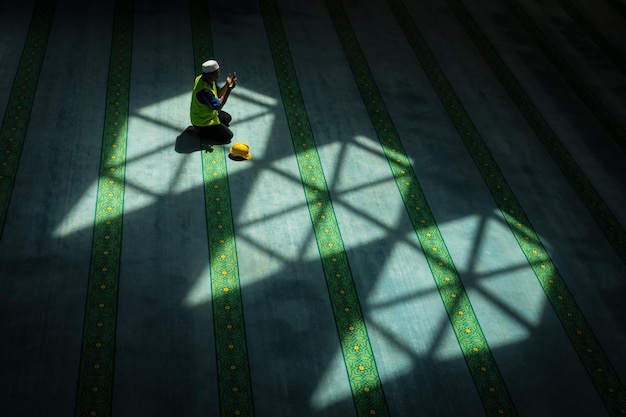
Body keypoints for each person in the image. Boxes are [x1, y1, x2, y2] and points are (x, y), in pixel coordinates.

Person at [187, 59, 238, 144]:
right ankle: (199, 131)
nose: (218, 75)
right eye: (216, 73)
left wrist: (227, 85)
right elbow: (218, 107)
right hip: (202, 122)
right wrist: (228, 90)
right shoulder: (203, 90)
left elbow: (218, 94)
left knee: (227, 118)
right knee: (228, 136)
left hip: (208, 115)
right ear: (208, 75)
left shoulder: (206, 79)